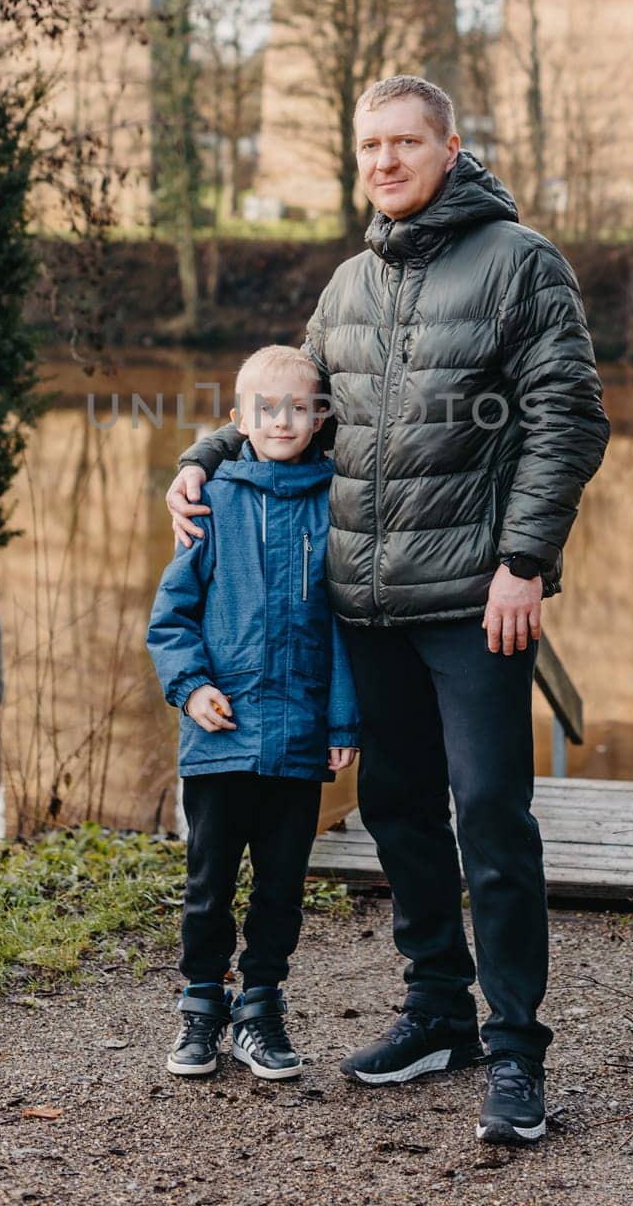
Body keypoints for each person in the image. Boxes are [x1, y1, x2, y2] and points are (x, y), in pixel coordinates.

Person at [166, 75, 610, 1143]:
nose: (385, 161)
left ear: (451, 147)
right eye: (370, 144)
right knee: (396, 813)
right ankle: (437, 1014)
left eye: (405, 141)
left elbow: (570, 420)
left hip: (474, 601)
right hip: (363, 608)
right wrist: (201, 458)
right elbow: (288, 407)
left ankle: (515, 1052)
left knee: (493, 820)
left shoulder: (519, 263)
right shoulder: (349, 283)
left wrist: (523, 561)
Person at [147, 344, 360, 1083]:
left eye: (298, 408)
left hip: (300, 738)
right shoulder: (214, 501)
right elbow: (171, 618)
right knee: (208, 884)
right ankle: (202, 1006)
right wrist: (189, 685)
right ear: (238, 419)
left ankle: (260, 1007)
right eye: (264, 409)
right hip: (219, 738)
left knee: (281, 886)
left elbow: (341, 628)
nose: (281, 420)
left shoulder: (336, 503)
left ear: (320, 418)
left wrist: (340, 723)